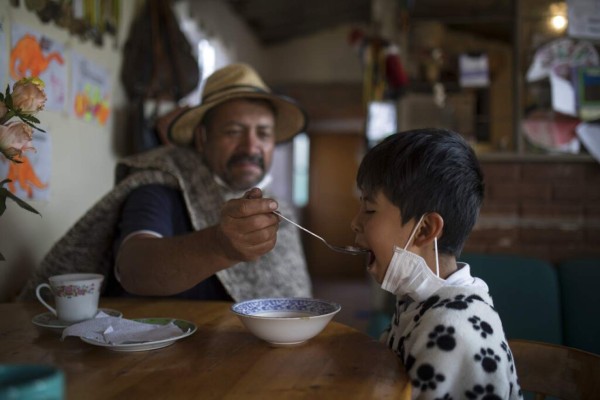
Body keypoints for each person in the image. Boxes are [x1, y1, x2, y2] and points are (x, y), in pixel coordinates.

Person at [19, 63, 312, 301]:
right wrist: (220, 245)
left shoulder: (277, 208)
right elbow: (134, 269)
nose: (251, 147)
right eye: (234, 132)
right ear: (202, 138)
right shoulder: (161, 184)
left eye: (263, 134)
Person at [350, 129, 521, 399]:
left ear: (424, 229)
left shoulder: (454, 334)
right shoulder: (420, 298)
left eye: (370, 209)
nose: (355, 222)